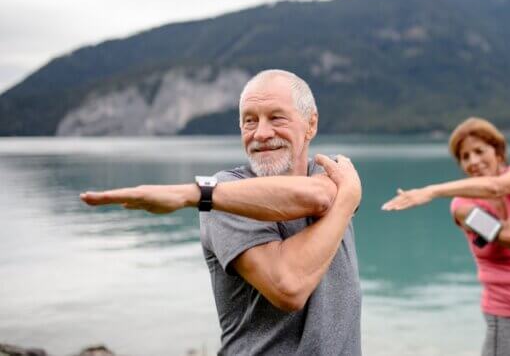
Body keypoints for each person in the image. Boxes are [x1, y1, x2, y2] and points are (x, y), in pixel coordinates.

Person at [81, 69, 362, 355]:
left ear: (310, 124)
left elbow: (320, 197)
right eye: (249, 121)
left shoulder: (327, 172)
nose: (261, 133)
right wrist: (348, 199)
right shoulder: (225, 197)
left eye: (276, 117)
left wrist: (190, 194)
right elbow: (288, 285)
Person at [382, 117, 510, 356]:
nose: (474, 161)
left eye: (479, 151)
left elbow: (497, 187)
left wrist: (433, 191)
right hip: (507, 316)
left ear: (498, 152)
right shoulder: (463, 207)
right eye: (465, 157)